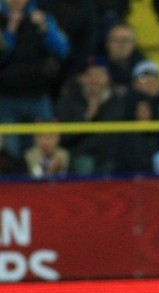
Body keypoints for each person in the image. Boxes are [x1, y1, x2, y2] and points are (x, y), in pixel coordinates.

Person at [0, 0, 71, 157]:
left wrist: (45, 29)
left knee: (41, 152)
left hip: (38, 96)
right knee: (9, 152)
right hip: (6, 98)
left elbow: (63, 50)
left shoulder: (43, 18)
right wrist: (10, 32)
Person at [55, 57, 126, 176]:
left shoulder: (116, 101)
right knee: (85, 163)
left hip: (109, 155)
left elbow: (112, 135)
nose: (95, 81)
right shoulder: (69, 99)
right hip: (80, 154)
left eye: (100, 75)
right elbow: (63, 136)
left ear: (107, 79)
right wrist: (86, 117)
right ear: (82, 78)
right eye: (91, 75)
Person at [100, 22, 148, 95]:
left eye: (125, 40)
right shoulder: (95, 65)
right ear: (107, 43)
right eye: (116, 40)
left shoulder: (144, 66)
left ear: (134, 44)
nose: (121, 45)